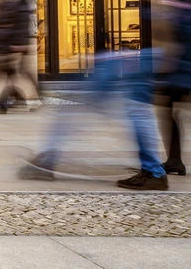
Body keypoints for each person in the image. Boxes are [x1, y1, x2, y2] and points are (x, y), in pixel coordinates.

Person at [21, 50, 168, 190]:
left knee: (76, 108)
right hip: (133, 56)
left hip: (133, 56)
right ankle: (154, 170)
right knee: (136, 108)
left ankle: (46, 160)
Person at [155, 0, 191, 176]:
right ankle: (174, 159)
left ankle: (175, 159)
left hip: (183, 70)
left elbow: (181, 38)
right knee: (169, 111)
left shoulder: (180, 3)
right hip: (182, 70)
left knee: (168, 111)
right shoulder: (182, 1)